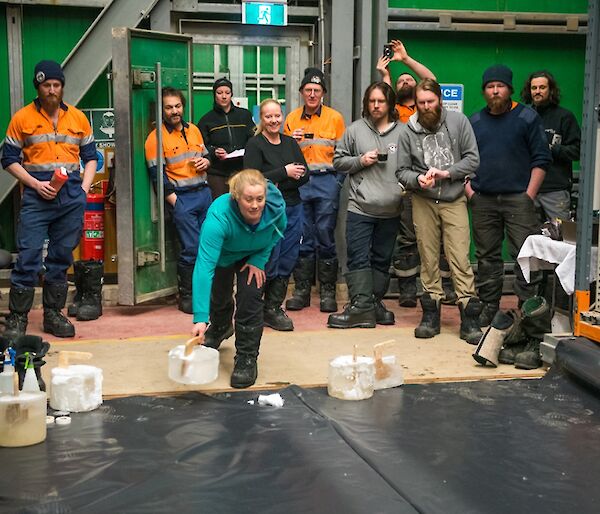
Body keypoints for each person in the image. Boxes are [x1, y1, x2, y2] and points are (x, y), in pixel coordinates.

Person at [1, 60, 97, 340]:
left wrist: (83, 189)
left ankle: (53, 314)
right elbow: (8, 159)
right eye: (46, 86)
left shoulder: (78, 118)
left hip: (71, 195)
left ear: (62, 87)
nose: (52, 91)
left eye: (56, 85)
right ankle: (18, 317)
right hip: (36, 194)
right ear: (38, 87)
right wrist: (34, 184)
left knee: (60, 257)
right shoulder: (22, 118)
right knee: (29, 255)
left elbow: (91, 157)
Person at [397, 79, 483, 344]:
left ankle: (469, 319)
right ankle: (430, 316)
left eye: (430, 102)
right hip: (423, 201)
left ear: (439, 99)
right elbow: (401, 171)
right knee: (428, 258)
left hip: (454, 198)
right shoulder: (408, 131)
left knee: (459, 257)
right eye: (421, 103)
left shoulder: (459, 122)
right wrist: (417, 180)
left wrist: (447, 173)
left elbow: (473, 159)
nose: (425, 107)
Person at [467, 64, 552, 327]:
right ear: (484, 91)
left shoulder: (527, 118)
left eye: (500, 86)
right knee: (486, 257)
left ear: (509, 89)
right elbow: (464, 160)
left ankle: (527, 312)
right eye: (490, 87)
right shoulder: (475, 121)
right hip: (484, 199)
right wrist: (470, 192)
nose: (495, 91)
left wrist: (528, 196)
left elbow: (541, 159)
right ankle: (489, 307)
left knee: (525, 256)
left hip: (519, 199)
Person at [377, 40, 455, 308]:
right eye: (401, 81)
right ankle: (408, 289)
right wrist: (386, 75)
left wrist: (406, 60)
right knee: (408, 237)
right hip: (409, 183)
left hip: (439, 181)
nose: (405, 82)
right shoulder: (396, 114)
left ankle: (446, 287)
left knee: (443, 237)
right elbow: (383, 96)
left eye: (409, 80)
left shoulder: (428, 109)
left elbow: (430, 79)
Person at [191, 169, 287, 388]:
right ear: (236, 197)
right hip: (224, 254)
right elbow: (204, 267)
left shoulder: (276, 209)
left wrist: (260, 260)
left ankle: (246, 357)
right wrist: (200, 317)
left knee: (250, 296)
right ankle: (221, 325)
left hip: (253, 255)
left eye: (259, 199)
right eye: (249, 199)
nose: (255, 205)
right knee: (220, 294)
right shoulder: (219, 217)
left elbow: (278, 232)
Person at [328, 82, 404, 329]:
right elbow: (338, 161)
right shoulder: (355, 130)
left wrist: (405, 187)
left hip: (392, 208)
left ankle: (373, 303)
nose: (376, 105)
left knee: (382, 259)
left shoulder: (404, 132)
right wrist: (360, 160)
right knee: (358, 256)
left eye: (381, 101)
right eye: (371, 101)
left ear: (390, 103)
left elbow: (415, 165)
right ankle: (361, 306)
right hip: (360, 206)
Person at [145, 87, 212, 314]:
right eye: (169, 107)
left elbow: (204, 155)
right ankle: (188, 295)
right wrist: (174, 201)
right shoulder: (155, 138)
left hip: (204, 194)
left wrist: (207, 162)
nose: (174, 111)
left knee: (208, 246)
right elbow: (157, 174)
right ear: (161, 110)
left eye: (177, 106)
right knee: (191, 248)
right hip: (182, 199)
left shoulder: (194, 130)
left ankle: (207, 293)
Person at [284, 68, 345, 314]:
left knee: (325, 234)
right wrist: (292, 140)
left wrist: (338, 182)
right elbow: (283, 153)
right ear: (301, 92)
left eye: (316, 91)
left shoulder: (335, 118)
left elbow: (343, 155)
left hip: (326, 182)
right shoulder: (291, 118)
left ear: (323, 94)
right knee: (302, 235)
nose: (312, 94)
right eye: (308, 90)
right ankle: (302, 290)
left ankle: (328, 291)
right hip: (300, 183)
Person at [244, 99, 309, 331]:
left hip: (293, 207)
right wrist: (285, 172)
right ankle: (255, 308)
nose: (274, 120)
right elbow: (252, 178)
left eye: (277, 116)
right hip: (267, 211)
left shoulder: (291, 143)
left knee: (288, 258)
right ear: (261, 119)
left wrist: (281, 177)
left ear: (282, 117)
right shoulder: (255, 144)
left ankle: (273, 308)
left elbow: (305, 175)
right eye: (269, 116)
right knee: (269, 257)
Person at [521, 70, 581, 222]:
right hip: (527, 189)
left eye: (542, 87)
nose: (538, 92)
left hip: (556, 191)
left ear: (551, 90)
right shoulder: (522, 117)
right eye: (534, 88)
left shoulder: (564, 117)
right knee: (528, 240)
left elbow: (577, 151)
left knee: (559, 240)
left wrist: (551, 148)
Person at [197, 77, 256, 199]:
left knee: (244, 202)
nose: (224, 96)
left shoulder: (245, 115)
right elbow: (202, 146)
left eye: (227, 93)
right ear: (214, 95)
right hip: (218, 173)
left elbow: (253, 138)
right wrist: (214, 151)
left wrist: (248, 150)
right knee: (221, 205)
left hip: (242, 169)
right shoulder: (206, 120)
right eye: (219, 93)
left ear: (231, 95)